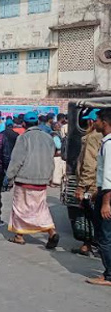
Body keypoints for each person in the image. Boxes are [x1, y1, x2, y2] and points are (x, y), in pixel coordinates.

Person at [6, 112, 60, 248]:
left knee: (20, 208)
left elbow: (17, 160)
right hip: (42, 180)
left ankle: (19, 236)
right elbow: (51, 158)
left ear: (24, 124)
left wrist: (9, 176)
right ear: (37, 123)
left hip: (24, 178)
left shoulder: (23, 138)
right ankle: (51, 231)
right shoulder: (48, 138)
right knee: (40, 208)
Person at [72, 109, 102, 256]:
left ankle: (94, 245)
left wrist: (81, 186)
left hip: (92, 185)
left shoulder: (92, 138)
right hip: (102, 183)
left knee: (90, 216)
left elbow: (89, 164)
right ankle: (89, 245)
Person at [87, 108, 111, 286]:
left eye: (97, 120)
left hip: (108, 195)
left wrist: (106, 202)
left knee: (104, 236)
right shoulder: (106, 142)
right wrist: (98, 191)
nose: (94, 123)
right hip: (104, 191)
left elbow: (109, 175)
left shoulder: (109, 144)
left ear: (105, 122)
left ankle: (109, 275)